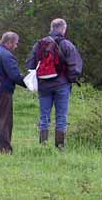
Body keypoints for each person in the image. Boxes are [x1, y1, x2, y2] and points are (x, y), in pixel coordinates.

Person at [25, 18, 83, 149]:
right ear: (63, 29)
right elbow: (75, 66)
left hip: (44, 85)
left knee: (44, 116)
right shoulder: (67, 44)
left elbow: (30, 63)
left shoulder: (39, 44)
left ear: (51, 28)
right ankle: (59, 146)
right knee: (61, 116)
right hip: (62, 85)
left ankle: (43, 146)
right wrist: (69, 79)